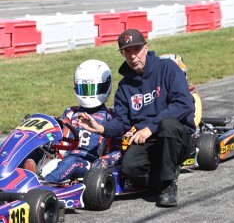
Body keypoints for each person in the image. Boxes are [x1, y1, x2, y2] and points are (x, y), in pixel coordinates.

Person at [76, 29, 196, 207]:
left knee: (167, 124)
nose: (133, 56)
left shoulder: (168, 69)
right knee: (130, 168)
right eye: (127, 51)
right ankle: (163, 174)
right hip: (150, 139)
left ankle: (167, 185)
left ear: (146, 48)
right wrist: (102, 128)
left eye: (136, 50)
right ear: (122, 53)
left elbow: (184, 103)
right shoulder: (125, 87)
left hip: (178, 137)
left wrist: (150, 128)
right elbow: (122, 122)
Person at [40, 59, 121, 183]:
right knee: (33, 149)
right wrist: (47, 143)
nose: (88, 95)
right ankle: (15, 179)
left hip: (91, 166)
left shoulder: (111, 116)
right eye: (84, 89)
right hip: (65, 160)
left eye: (92, 89)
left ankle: (41, 187)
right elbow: (58, 139)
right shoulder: (70, 112)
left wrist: (103, 161)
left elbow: (119, 151)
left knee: (72, 162)